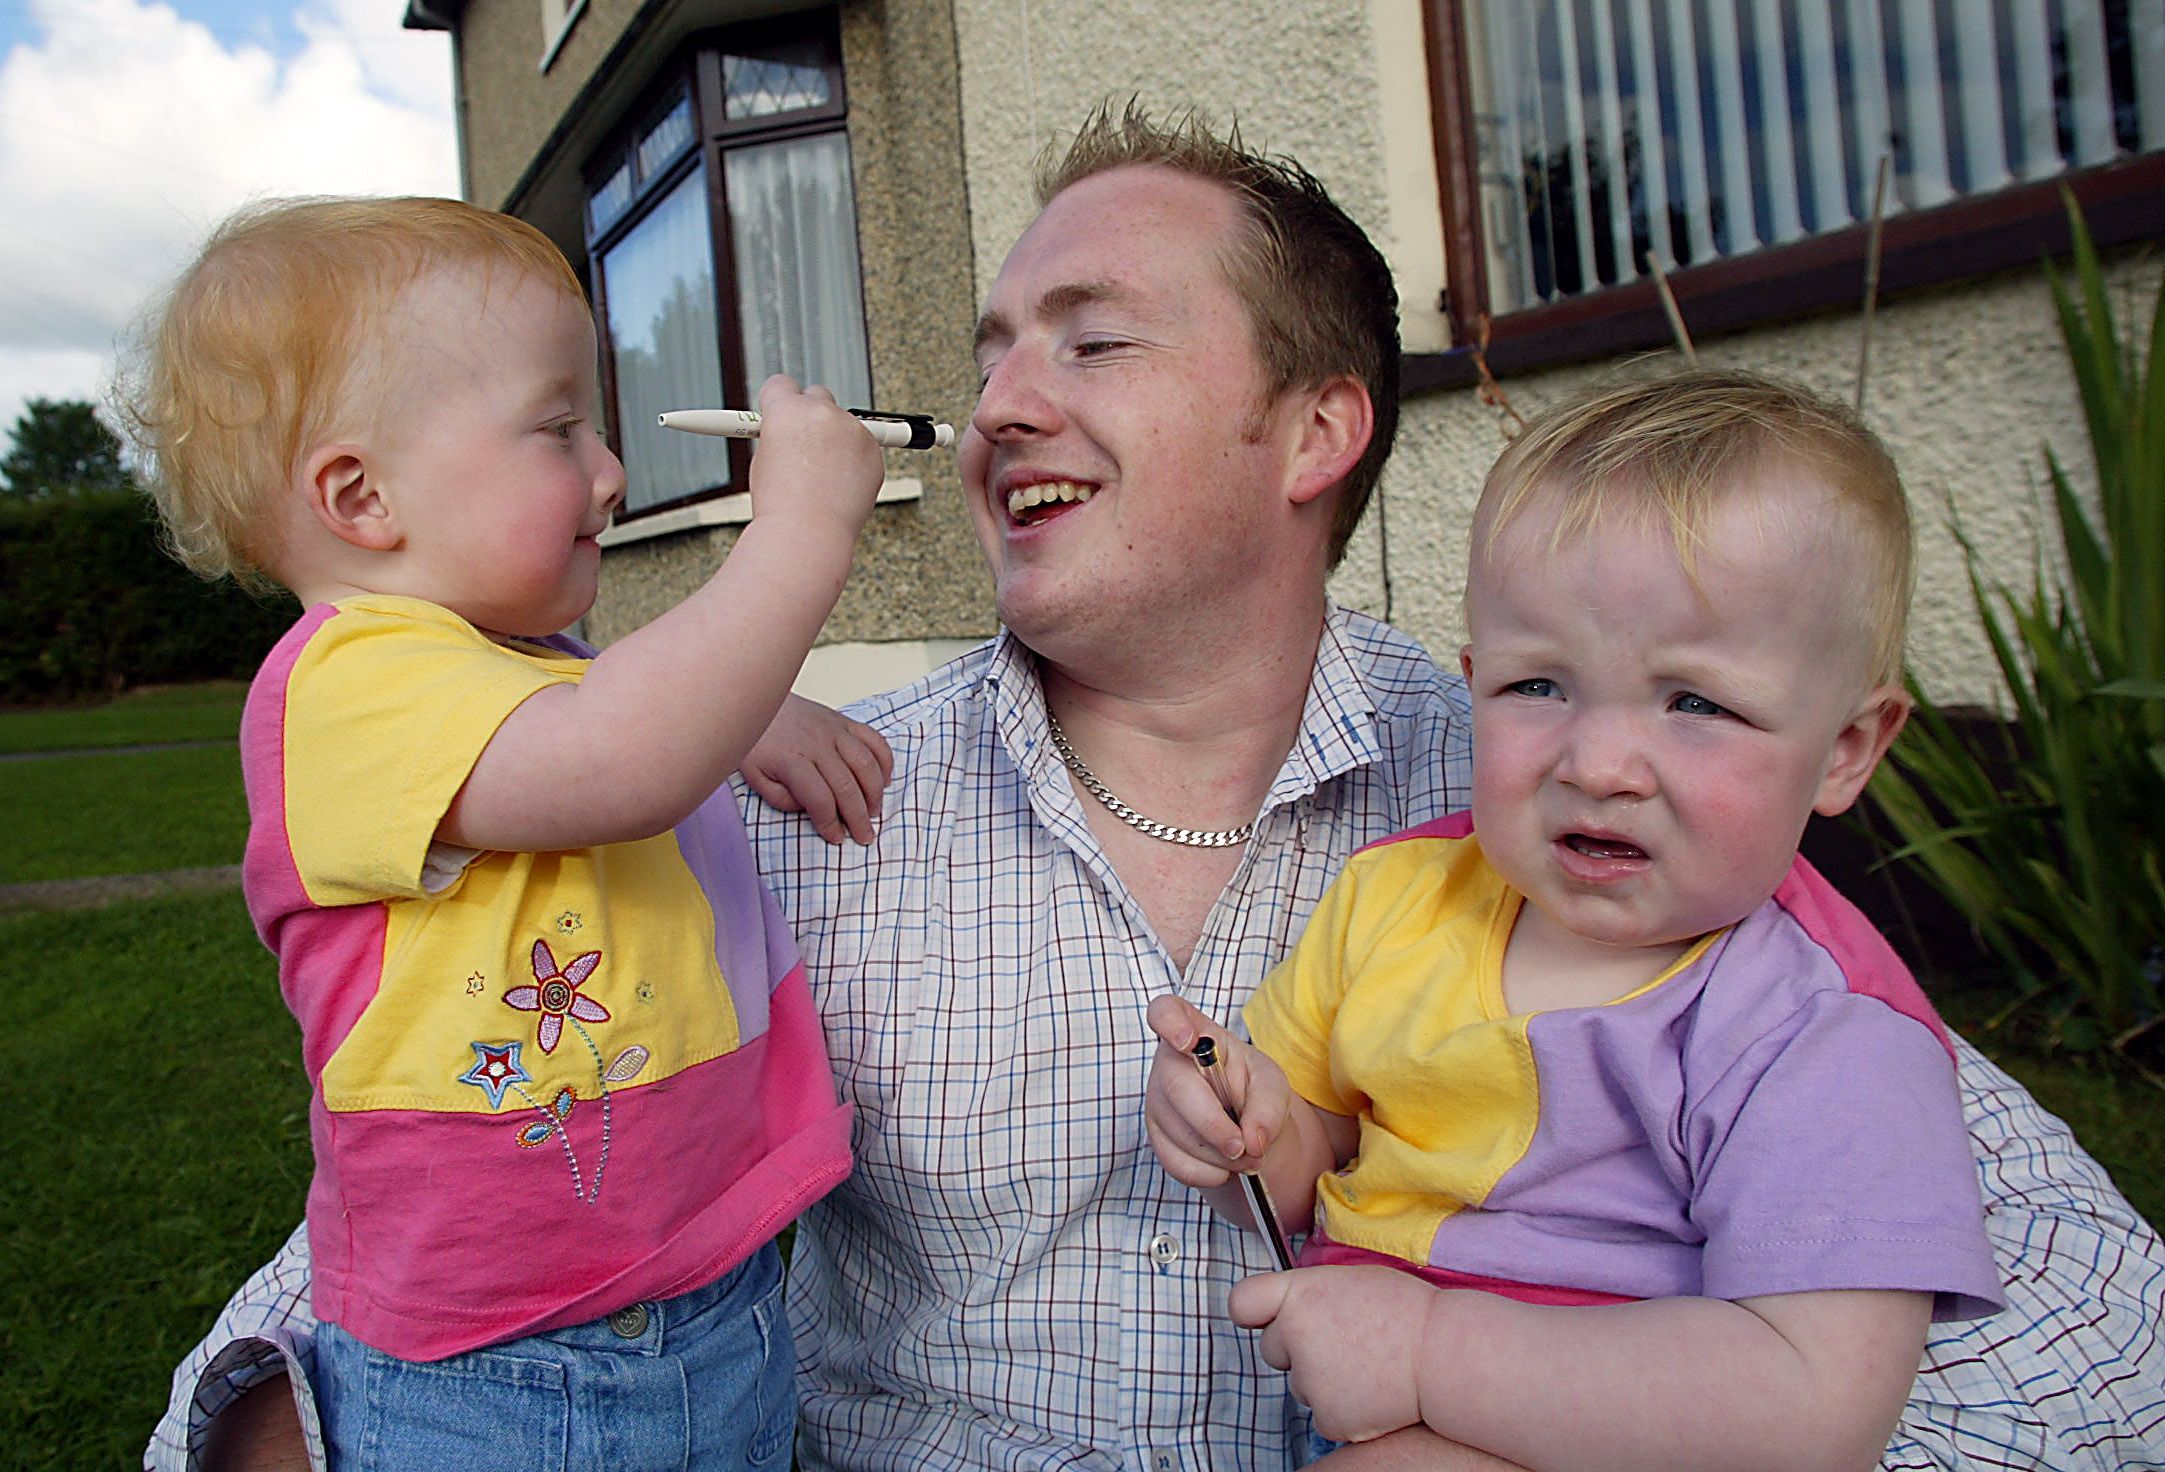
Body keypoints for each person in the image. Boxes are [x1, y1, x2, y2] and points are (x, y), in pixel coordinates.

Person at [151, 108, 2165, 1472]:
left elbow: (2064, 1289)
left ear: (1312, 429)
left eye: (1088, 341)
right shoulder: (792, 799)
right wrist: (268, 1419)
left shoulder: (1565, 793)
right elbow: (440, 1188)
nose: (999, 402)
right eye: (989, 350)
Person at [122, 196, 887, 1469]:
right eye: (557, 427)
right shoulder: (343, 683)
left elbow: (618, 724)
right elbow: (618, 754)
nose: (610, 469)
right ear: (362, 496)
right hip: (509, 1369)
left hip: (711, 1301)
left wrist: (732, 712)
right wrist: (800, 526)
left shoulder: (531, 672)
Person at [1145, 370, 2006, 1470]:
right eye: (1536, 686)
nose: (1596, 763)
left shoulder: (1819, 1032)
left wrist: (1425, 1350)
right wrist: (1240, 1129)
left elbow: (1813, 1404)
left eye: (1694, 702)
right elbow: (1311, 1150)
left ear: (1843, 749)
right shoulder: (1395, 896)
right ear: (1471, 683)